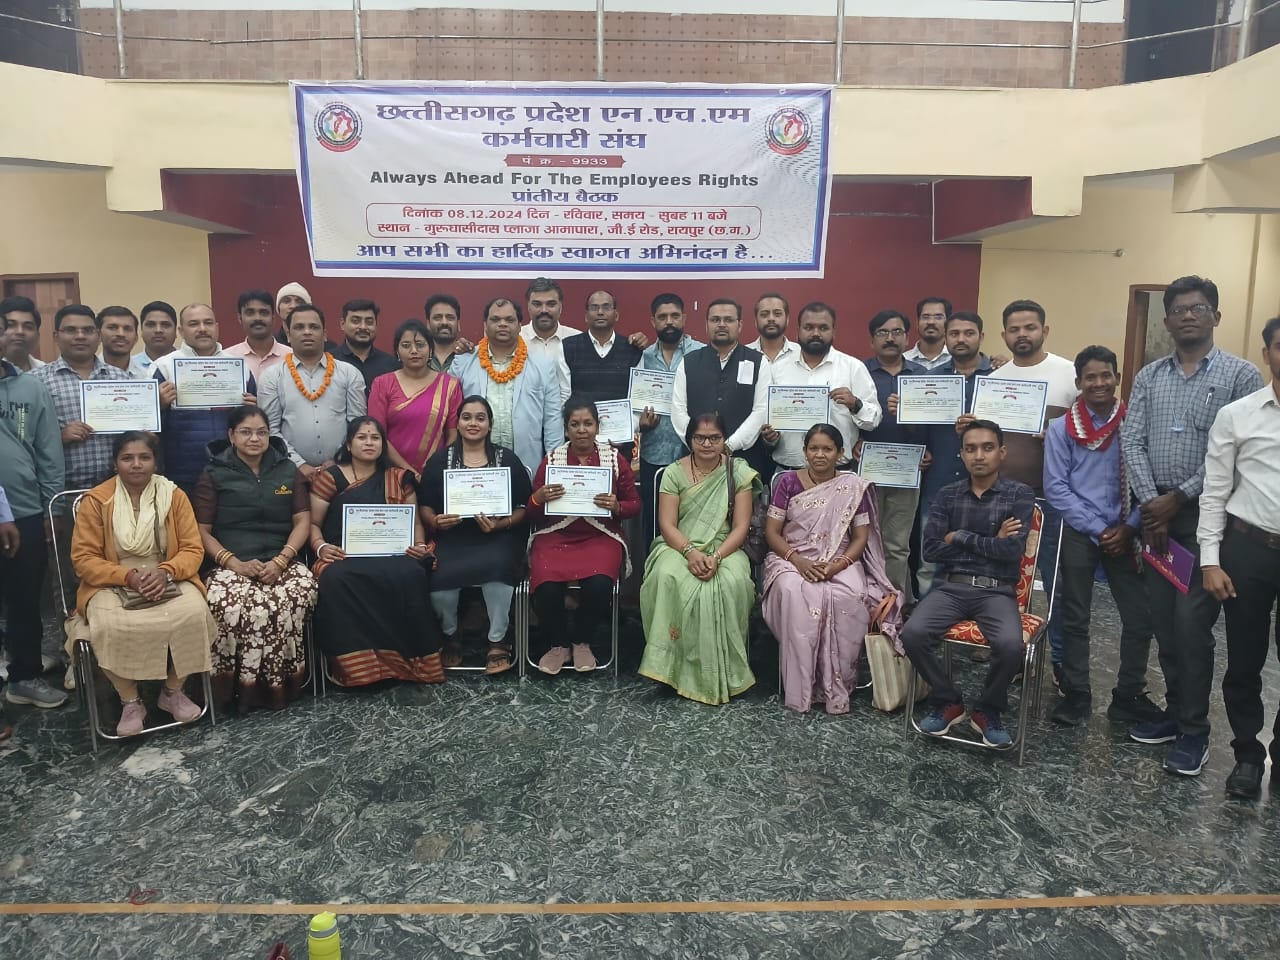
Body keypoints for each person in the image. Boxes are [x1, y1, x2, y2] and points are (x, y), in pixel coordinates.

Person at [1121, 275, 1262, 776]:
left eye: (1198, 308)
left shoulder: (1241, 376)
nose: (1187, 315)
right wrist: (1151, 505)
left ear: (1215, 316)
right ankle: (1176, 711)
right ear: (1166, 320)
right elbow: (1131, 440)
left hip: (1207, 520)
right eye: (1178, 309)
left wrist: (1176, 498)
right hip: (1156, 520)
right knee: (1163, 623)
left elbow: (1235, 455)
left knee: (1191, 626)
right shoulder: (1149, 376)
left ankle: (1195, 732)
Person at [67, 432, 216, 736]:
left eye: (144, 457)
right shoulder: (97, 501)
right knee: (108, 624)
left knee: (195, 613)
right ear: (115, 463)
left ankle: (172, 691)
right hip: (110, 581)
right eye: (127, 458)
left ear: (155, 463)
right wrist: (129, 577)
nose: (136, 464)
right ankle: (130, 701)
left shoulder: (174, 496)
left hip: (169, 576)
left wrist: (165, 571)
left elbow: (192, 549)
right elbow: (84, 559)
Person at [1044, 346, 1160, 728]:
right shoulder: (1062, 429)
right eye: (1090, 377)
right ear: (1078, 382)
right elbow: (1056, 488)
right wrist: (1099, 529)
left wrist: (1129, 527)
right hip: (1081, 532)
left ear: (1117, 378)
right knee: (1075, 616)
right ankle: (1077, 693)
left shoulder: (1135, 424)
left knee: (1140, 617)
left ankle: (1128, 695)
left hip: (1129, 532)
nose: (1099, 383)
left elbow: (1147, 482)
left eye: (1106, 375)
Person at [902, 419, 1035, 749]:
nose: (979, 456)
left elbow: (1011, 550)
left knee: (1010, 646)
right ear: (961, 454)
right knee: (912, 633)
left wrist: (958, 536)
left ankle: (988, 709)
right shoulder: (947, 495)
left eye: (987, 448)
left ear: (1002, 452)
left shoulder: (1019, 494)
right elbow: (931, 550)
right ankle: (948, 700)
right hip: (951, 587)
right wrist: (992, 539)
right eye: (971, 449)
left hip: (996, 590)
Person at [762, 424, 901, 714]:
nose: (820, 455)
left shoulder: (852, 487)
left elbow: (860, 537)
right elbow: (772, 533)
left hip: (840, 557)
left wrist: (838, 565)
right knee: (794, 593)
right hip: (792, 557)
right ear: (804, 452)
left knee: (851, 594)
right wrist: (798, 561)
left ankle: (837, 686)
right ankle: (802, 687)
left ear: (840, 453)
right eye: (814, 448)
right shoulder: (788, 483)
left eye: (827, 449)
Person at [1198, 316, 1280, 799]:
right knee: (1245, 660)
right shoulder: (1238, 415)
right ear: (1267, 353)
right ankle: (1248, 754)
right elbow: (1214, 492)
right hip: (1249, 549)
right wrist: (1210, 560)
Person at [195, 405, 318, 711]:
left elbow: (303, 521)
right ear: (231, 435)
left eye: (262, 432)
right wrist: (233, 563)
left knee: (296, 593)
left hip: (282, 560)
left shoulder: (287, 470)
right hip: (229, 564)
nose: (254, 439)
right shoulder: (214, 472)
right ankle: (234, 688)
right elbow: (201, 530)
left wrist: (281, 561)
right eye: (246, 432)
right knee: (233, 603)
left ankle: (278, 686)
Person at [309, 416, 442, 687]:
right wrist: (321, 547)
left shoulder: (398, 478)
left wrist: (419, 545)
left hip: (394, 552)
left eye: (375, 438)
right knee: (335, 578)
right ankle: (359, 670)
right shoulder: (330, 479)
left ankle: (409, 665)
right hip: (344, 554)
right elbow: (312, 524)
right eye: (362, 437)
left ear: (383, 445)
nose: (369, 443)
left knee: (411, 573)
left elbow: (416, 522)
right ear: (349, 444)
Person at [638, 412, 758, 704]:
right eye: (700, 438)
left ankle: (725, 669)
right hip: (678, 544)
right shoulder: (673, 472)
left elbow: (741, 527)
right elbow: (667, 524)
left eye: (714, 438)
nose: (707, 444)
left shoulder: (738, 472)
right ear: (689, 439)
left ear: (724, 439)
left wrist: (716, 556)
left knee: (731, 582)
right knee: (666, 575)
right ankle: (669, 668)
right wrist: (690, 552)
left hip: (725, 546)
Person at [985, 299, 1076, 678]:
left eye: (1030, 327)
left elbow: (1092, 426)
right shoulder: (994, 380)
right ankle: (1007, 651)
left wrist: (1058, 431)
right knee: (1003, 579)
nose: (1022, 335)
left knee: (1055, 583)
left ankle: (1060, 662)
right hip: (1002, 497)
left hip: (1052, 498)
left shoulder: (1070, 373)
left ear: (1045, 330)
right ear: (1004, 335)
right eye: (1014, 329)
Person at [527, 397, 641, 675]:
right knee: (546, 583)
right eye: (574, 424)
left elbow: (634, 504)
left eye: (587, 423)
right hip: (556, 534)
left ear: (597, 427)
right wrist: (538, 498)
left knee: (599, 584)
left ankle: (582, 640)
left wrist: (617, 506)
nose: (581, 430)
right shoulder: (552, 459)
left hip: (600, 535)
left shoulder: (614, 459)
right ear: (566, 429)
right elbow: (533, 513)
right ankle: (558, 644)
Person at [419, 396, 532, 674]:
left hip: (498, 537)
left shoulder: (507, 459)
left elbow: (524, 507)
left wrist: (501, 525)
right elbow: (425, 506)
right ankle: (451, 634)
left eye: (480, 418)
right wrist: (435, 520)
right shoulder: (440, 461)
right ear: (457, 423)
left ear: (490, 424)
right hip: (452, 538)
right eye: (467, 417)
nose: (473, 423)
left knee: (498, 570)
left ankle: (498, 640)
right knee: (439, 581)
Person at [0, 348, 66, 709]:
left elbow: (48, 449)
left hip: (25, 508)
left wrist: (50, 507)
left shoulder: (30, 387)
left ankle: (24, 676)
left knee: (24, 599)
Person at [913, 311, 994, 598]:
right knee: (929, 562)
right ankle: (927, 617)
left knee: (984, 560)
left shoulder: (999, 378)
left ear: (981, 337)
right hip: (939, 485)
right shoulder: (929, 379)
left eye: (968, 333)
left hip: (987, 491)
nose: (961, 339)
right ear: (945, 338)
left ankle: (978, 618)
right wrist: (907, 412)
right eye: (954, 333)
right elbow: (919, 433)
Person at [152, 303, 259, 497]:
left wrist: (250, 409)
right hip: (180, 474)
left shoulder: (240, 366)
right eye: (194, 324)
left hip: (232, 472)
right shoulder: (163, 367)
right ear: (181, 331)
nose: (202, 329)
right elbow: (146, 429)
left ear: (217, 327)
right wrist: (158, 406)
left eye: (208, 323)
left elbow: (253, 421)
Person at [761, 302, 881, 472]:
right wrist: (770, 438)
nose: (816, 333)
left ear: (833, 332)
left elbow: (874, 420)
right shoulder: (776, 369)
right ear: (798, 331)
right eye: (809, 327)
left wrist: (855, 404)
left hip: (838, 473)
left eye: (823, 328)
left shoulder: (853, 367)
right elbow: (764, 417)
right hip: (788, 472)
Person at [862, 308, 929, 602]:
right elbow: (848, 415)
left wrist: (928, 448)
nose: (890, 338)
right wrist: (854, 441)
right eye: (883, 333)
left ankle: (892, 609)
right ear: (872, 340)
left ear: (907, 338)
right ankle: (864, 604)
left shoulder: (922, 376)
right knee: (863, 541)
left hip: (907, 472)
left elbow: (933, 423)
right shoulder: (859, 372)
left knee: (897, 546)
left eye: (897, 332)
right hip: (867, 471)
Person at [258, 303, 366, 482]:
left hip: (342, 471)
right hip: (289, 472)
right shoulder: (272, 376)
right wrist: (299, 464)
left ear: (325, 334)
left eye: (314, 327)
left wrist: (338, 459)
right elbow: (270, 430)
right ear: (288, 335)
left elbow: (357, 425)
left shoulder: (349, 373)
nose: (307, 332)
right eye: (299, 327)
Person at [453, 297, 561, 476]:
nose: (502, 324)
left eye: (509, 320)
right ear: (485, 325)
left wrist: (554, 466)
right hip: (473, 467)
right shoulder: (463, 362)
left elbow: (553, 419)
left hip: (527, 464)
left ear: (519, 326)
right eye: (495, 319)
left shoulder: (543, 364)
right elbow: (452, 416)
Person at [34, 304, 134, 492]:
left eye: (88, 330)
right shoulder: (36, 381)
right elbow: (24, 439)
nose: (80, 336)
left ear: (98, 336)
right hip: (63, 491)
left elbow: (135, 433)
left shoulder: (123, 379)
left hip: (117, 490)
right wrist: (58, 437)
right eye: (71, 330)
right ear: (56, 336)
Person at [670, 299, 771, 479]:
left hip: (744, 461)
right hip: (696, 463)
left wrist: (729, 445)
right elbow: (678, 410)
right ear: (706, 325)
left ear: (740, 325)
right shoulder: (688, 362)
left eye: (728, 320)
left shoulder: (758, 361)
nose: (722, 324)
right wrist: (700, 443)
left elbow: (761, 410)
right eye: (715, 319)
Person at [636, 293, 702, 548]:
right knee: (655, 524)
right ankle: (655, 569)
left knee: (693, 524)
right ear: (653, 321)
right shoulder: (642, 356)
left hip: (695, 455)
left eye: (675, 316)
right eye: (662, 317)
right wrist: (640, 424)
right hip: (654, 454)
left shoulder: (702, 354)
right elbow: (633, 403)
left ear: (684, 318)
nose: (669, 322)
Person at [367, 319, 461, 478]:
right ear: (397, 351)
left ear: (430, 350)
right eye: (406, 345)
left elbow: (453, 435)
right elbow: (377, 435)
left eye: (420, 345)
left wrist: (437, 468)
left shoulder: (450, 385)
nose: (414, 351)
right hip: (392, 474)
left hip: (436, 473)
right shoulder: (382, 384)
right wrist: (410, 474)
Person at [562, 289, 644, 406]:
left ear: (616, 315)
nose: (600, 312)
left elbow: (637, 397)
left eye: (606, 307)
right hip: (580, 417)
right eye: (594, 307)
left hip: (621, 418)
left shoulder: (632, 349)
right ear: (586, 316)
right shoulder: (568, 347)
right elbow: (564, 395)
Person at [520, 277, 581, 402]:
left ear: (560, 307)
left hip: (569, 412)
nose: (544, 310)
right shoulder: (516, 339)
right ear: (528, 307)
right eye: (537, 304)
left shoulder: (578, 340)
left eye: (551, 304)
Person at [226, 288, 293, 383]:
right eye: (250, 313)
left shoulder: (291, 357)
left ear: (273, 318)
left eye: (264, 313)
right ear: (240, 318)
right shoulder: (227, 358)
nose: (257, 318)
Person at [334, 298, 398, 394]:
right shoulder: (329, 362)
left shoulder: (392, 365)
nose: (363, 327)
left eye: (369, 322)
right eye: (356, 321)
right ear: (342, 324)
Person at [747, 292, 799, 368]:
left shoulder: (800, 353)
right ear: (756, 321)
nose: (771, 319)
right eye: (764, 315)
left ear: (787, 319)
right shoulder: (743, 355)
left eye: (777, 314)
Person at [130, 301, 178, 380]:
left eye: (165, 325)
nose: (158, 330)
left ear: (176, 331)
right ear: (141, 330)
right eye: (151, 325)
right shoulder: (128, 366)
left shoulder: (188, 365)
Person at [904, 297, 953, 370]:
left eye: (938, 317)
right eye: (925, 317)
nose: (931, 322)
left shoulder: (956, 360)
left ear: (948, 323)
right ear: (917, 323)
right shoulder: (904, 360)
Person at [425, 293, 468, 373]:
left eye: (450, 318)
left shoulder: (469, 357)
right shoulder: (419, 357)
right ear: (428, 324)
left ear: (458, 324)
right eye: (437, 318)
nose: (444, 322)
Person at [1, 296, 46, 372]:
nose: (20, 332)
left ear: (37, 337)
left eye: (28, 327)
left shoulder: (45, 371)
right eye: (10, 325)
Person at [96, 306, 139, 376]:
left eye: (127, 329)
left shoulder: (147, 375)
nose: (121, 334)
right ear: (98, 334)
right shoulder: (86, 374)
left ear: (136, 338)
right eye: (112, 328)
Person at [273, 281, 310, 346]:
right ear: (279, 308)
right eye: (286, 301)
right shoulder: (270, 345)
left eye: (299, 302)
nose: (293, 306)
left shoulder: (323, 346)